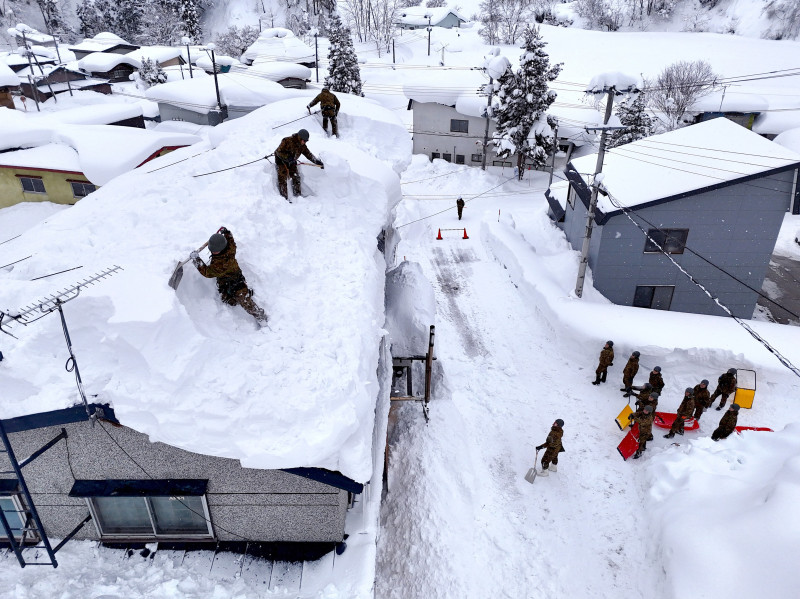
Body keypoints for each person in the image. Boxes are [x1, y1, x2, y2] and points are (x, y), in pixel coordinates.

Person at [192, 227, 268, 326]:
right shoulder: (230, 249)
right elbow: (231, 241)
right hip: (227, 280)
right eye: (213, 250)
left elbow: (207, 272)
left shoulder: (220, 265)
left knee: (244, 301)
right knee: (228, 301)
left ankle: (260, 316)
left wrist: (196, 260)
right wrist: (227, 233)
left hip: (236, 282)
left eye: (215, 251)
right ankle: (239, 295)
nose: (213, 252)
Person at [273, 129, 324, 201]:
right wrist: (288, 158)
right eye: (304, 140)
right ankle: (284, 199)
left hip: (292, 162)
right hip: (281, 161)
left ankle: (298, 196)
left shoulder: (302, 146)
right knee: (282, 177)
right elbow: (279, 152)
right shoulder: (287, 141)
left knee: (296, 177)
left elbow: (308, 154)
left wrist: (317, 162)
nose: (305, 142)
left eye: (306, 141)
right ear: (299, 138)